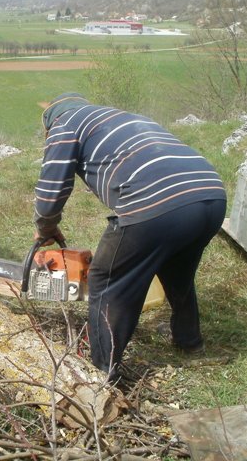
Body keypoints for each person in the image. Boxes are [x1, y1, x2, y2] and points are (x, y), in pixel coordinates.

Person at [33, 93, 227, 382]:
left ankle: (100, 372)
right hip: (211, 196)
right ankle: (190, 341)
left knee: (105, 279)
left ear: (50, 120)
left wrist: (45, 228)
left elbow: (52, 190)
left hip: (157, 204)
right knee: (177, 270)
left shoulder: (64, 125)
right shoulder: (119, 117)